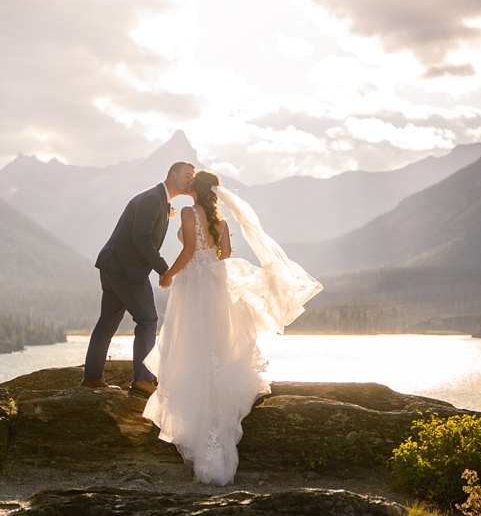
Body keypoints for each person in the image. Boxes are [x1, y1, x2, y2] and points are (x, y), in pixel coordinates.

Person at [142, 169, 323, 485]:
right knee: (217, 345)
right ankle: (213, 431)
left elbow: (187, 251)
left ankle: (192, 427)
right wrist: (207, 257)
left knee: (189, 346)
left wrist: (168, 274)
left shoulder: (187, 212)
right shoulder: (221, 223)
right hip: (216, 284)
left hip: (192, 287)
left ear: (195, 190)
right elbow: (224, 255)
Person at [82, 160, 196, 397]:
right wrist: (164, 270)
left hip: (114, 265)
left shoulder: (160, 201)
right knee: (147, 320)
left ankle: (92, 379)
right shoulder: (153, 199)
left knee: (108, 321)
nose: (190, 180)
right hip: (126, 268)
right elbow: (141, 239)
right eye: (187, 175)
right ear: (173, 174)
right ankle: (142, 380)